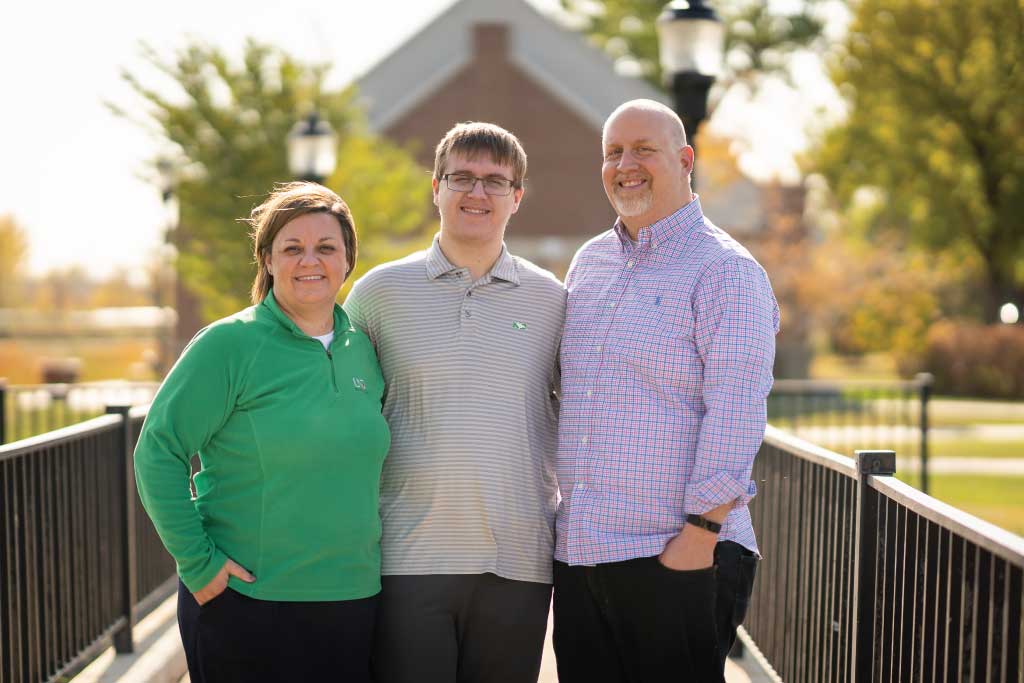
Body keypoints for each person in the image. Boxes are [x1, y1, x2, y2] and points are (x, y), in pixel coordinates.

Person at [552, 99, 780, 683]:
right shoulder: (590, 263)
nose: (625, 164)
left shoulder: (725, 270)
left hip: (675, 555)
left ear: (685, 160)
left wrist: (699, 536)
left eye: (643, 149)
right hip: (583, 556)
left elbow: (737, 409)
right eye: (613, 152)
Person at [134, 183, 390, 683]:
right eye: (292, 248)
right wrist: (198, 562)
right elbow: (158, 452)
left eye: (325, 248)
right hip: (248, 604)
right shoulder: (230, 344)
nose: (308, 261)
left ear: (348, 260)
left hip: (352, 602)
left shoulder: (366, 348)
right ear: (268, 261)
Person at [344, 121, 565, 683]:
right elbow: (342, 418)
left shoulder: (554, 301)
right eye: (461, 177)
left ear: (516, 197)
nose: (477, 192)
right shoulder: (377, 293)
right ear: (435, 187)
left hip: (517, 559)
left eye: (495, 181)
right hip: (406, 557)